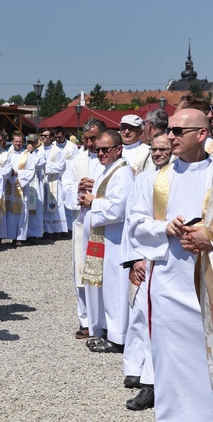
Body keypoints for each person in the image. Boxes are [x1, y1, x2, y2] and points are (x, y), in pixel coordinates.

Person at [129, 108, 213, 420]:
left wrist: (208, 237)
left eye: (179, 131)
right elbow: (135, 223)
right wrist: (163, 228)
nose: (170, 136)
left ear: (201, 135)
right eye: (170, 130)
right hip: (167, 283)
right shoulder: (156, 179)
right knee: (171, 359)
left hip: (208, 285)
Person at [121, 132, 172, 411]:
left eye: (163, 149)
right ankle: (145, 379)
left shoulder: (182, 178)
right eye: (154, 149)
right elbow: (133, 219)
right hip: (149, 260)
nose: (158, 153)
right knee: (144, 318)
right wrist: (135, 259)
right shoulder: (144, 179)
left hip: (179, 262)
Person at [78, 130, 133, 353]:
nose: (100, 153)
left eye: (105, 149)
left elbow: (118, 210)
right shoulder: (106, 170)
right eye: (97, 149)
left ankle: (118, 336)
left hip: (115, 241)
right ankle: (102, 328)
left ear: (118, 149)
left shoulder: (123, 173)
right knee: (100, 285)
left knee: (114, 287)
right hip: (100, 239)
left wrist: (93, 202)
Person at [62, 118, 106, 341]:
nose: (89, 143)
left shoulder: (111, 158)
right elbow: (65, 187)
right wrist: (77, 190)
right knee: (81, 272)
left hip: (103, 223)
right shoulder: (77, 159)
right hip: (81, 222)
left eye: (94, 138)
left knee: (103, 272)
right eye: (86, 138)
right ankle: (85, 320)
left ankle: (104, 321)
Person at [4, 132, 35, 246]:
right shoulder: (8, 153)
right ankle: (11, 235)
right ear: (12, 141)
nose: (18, 144)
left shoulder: (28, 155)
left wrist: (17, 172)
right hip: (9, 187)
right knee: (10, 213)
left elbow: (31, 172)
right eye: (16, 141)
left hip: (21, 187)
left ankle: (20, 237)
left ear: (23, 142)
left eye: (20, 142)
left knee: (22, 213)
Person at [40, 129, 69, 238]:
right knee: (44, 205)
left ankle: (57, 230)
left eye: (46, 136)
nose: (43, 137)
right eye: (42, 135)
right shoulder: (39, 150)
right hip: (43, 181)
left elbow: (62, 166)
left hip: (54, 181)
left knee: (55, 205)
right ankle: (47, 229)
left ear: (51, 137)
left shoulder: (57, 150)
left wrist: (47, 167)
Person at [26, 134, 45, 240]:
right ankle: (25, 232)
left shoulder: (40, 153)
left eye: (32, 143)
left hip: (36, 183)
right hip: (26, 184)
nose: (30, 145)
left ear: (36, 143)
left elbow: (39, 164)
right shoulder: (24, 153)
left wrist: (32, 153)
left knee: (36, 208)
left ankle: (34, 234)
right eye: (28, 142)